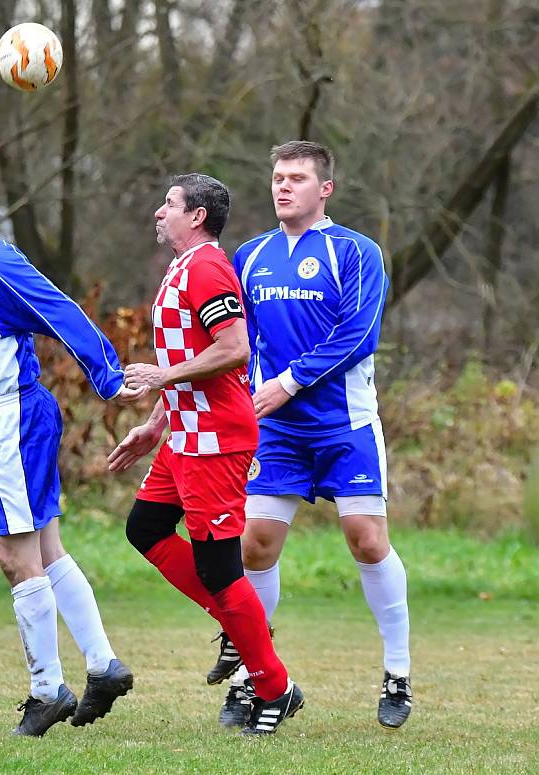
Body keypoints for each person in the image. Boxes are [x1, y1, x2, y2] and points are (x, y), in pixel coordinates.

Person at [0, 168, 146, 737]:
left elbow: (58, 308)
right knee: (43, 548)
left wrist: (108, 375)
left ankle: (47, 691)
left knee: (15, 558)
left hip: (12, 421)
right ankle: (103, 665)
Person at [209, 141, 412, 731]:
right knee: (254, 545)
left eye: (296, 178)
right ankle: (256, 674)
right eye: (277, 177)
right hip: (274, 430)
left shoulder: (355, 251)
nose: (282, 187)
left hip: (344, 424)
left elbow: (359, 333)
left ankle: (397, 671)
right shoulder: (250, 255)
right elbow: (232, 340)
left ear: (324, 189)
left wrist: (289, 382)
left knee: (366, 540)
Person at [108, 173, 303, 736]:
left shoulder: (210, 267)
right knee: (145, 527)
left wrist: (161, 377)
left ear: (196, 217)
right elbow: (193, 354)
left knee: (220, 569)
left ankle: (273, 683)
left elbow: (233, 348)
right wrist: (154, 424)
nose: (157, 212)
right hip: (184, 434)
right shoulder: (182, 267)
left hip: (217, 438)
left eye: (168, 204)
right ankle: (246, 632)